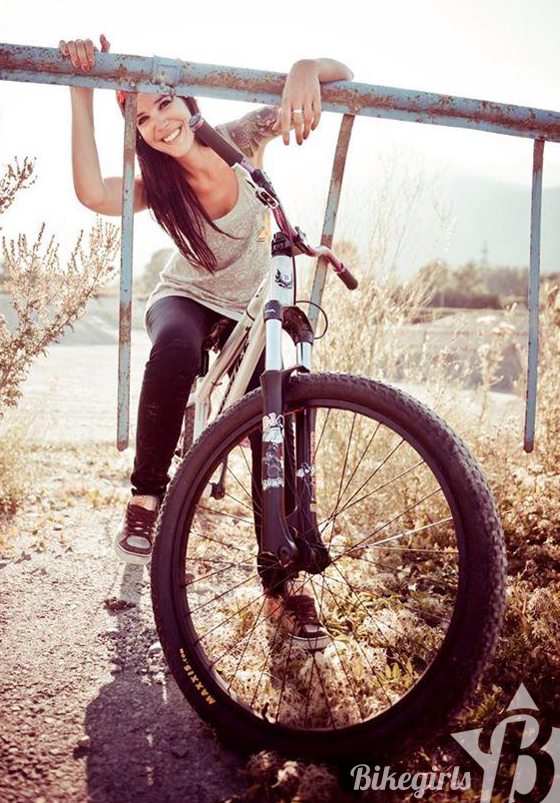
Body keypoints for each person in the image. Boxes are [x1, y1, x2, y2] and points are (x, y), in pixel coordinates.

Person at [60, 34, 353, 648]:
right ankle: (145, 499)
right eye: (140, 118)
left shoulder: (240, 136)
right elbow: (91, 193)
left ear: (186, 98)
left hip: (252, 311)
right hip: (187, 300)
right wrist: (81, 90)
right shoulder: (156, 183)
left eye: (163, 103)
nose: (158, 124)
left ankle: (285, 584)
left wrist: (304, 66)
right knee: (171, 351)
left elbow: (341, 72)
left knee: (280, 414)